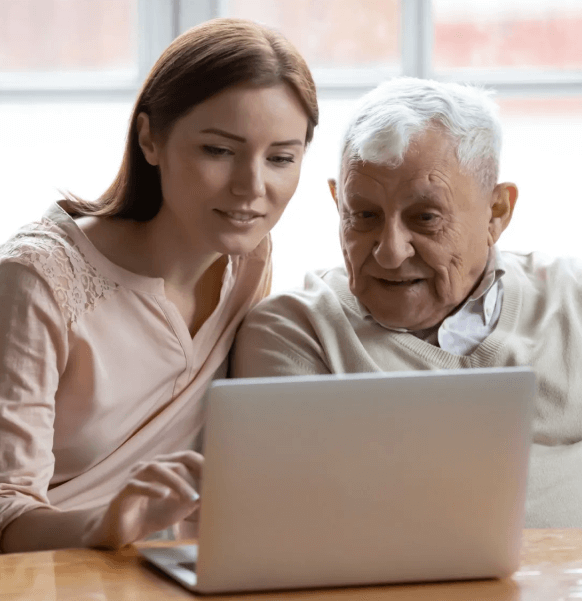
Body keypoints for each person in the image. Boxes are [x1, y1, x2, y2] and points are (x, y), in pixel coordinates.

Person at [0, 18, 318, 553]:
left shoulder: (249, 260)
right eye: (219, 150)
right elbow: (6, 509)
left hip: (168, 569)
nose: (252, 188)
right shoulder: (36, 282)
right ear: (151, 138)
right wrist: (107, 524)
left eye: (281, 158)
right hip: (53, 572)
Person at [232, 76, 582, 528]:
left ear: (497, 212)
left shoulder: (571, 298)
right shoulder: (297, 332)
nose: (390, 251)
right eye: (364, 216)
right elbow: (298, 525)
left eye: (426, 218)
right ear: (338, 203)